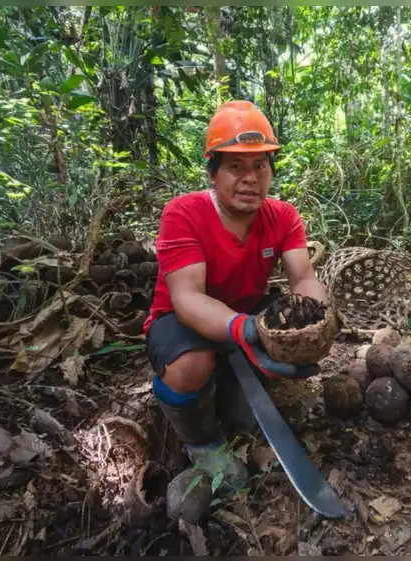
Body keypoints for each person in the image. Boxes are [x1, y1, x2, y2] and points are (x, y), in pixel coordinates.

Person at [143, 100, 333, 502]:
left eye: (260, 166)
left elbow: (303, 278)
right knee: (192, 365)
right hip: (183, 320)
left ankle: (232, 386)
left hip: (246, 312)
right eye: (235, 166)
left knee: (290, 329)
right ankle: (202, 441)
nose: (250, 178)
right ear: (213, 173)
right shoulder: (184, 213)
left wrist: (316, 321)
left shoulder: (283, 215)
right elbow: (188, 297)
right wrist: (246, 329)